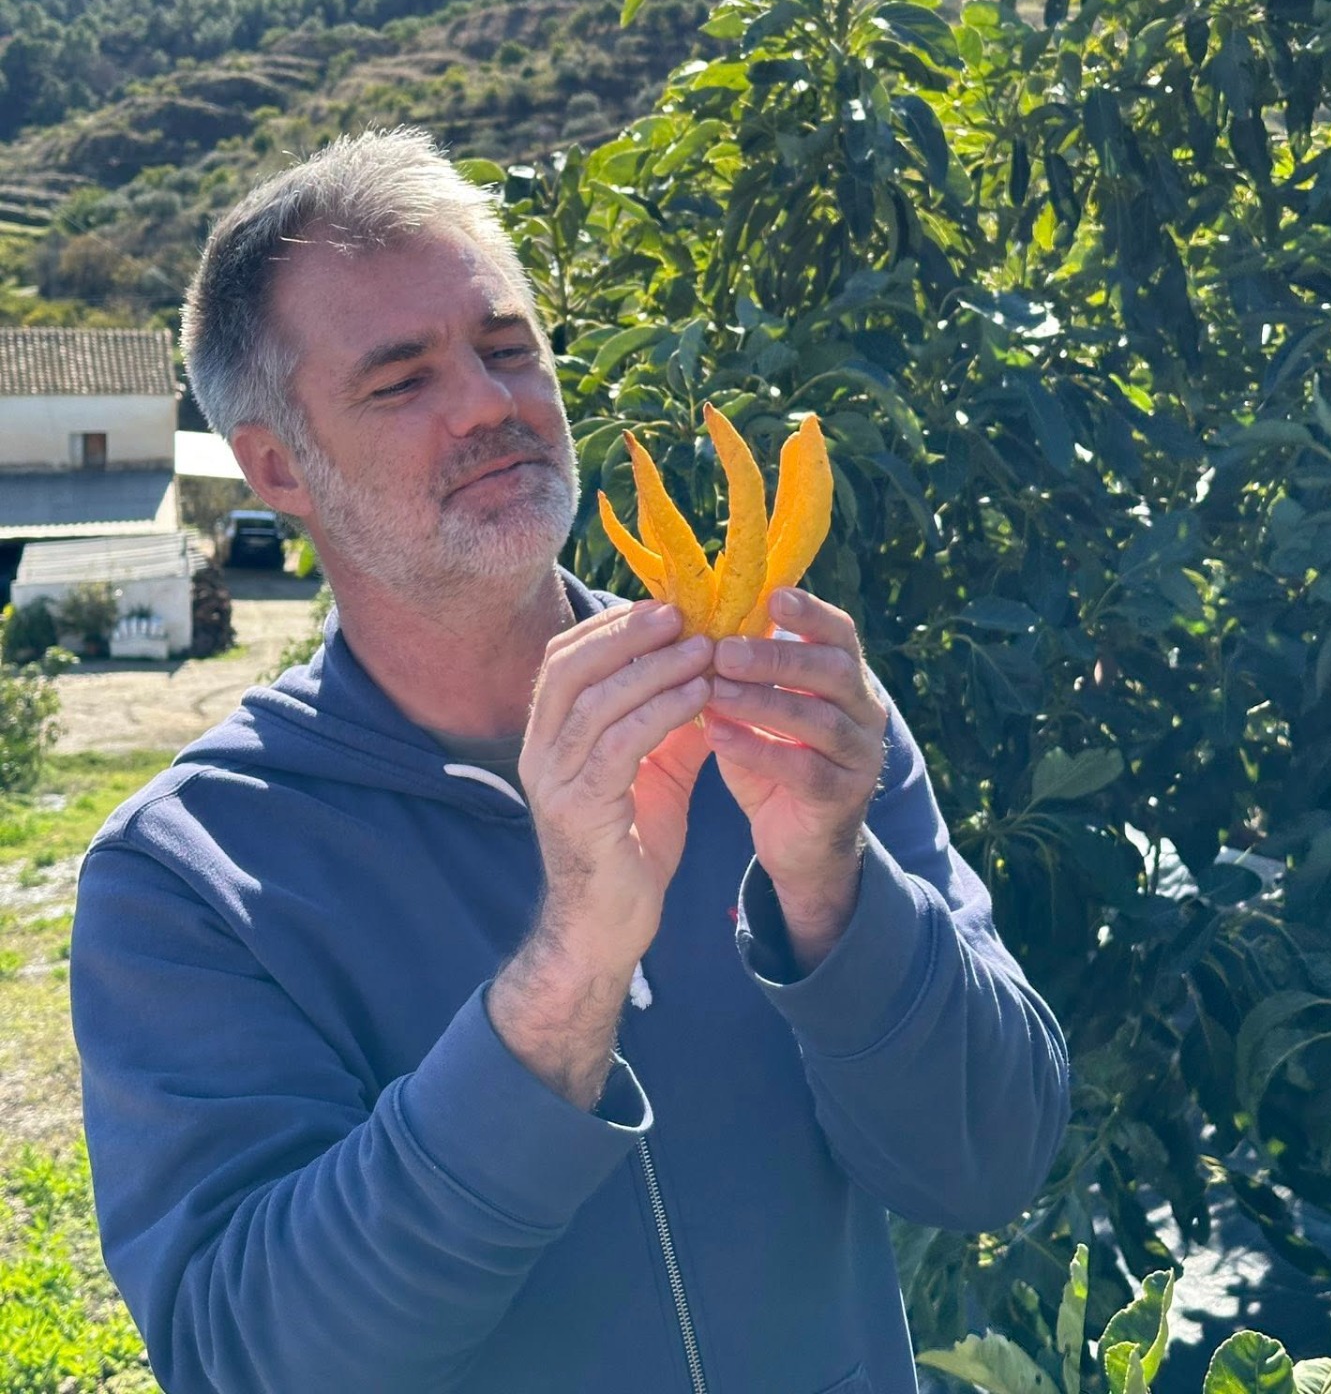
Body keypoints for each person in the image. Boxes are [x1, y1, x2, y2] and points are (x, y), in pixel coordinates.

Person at [70, 126, 1069, 1394]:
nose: (490, 404)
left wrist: (830, 883)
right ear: (277, 468)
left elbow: (987, 1161)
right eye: (401, 381)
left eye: (507, 348)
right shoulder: (192, 879)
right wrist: (568, 973)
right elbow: (249, 1356)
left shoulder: (788, 730)